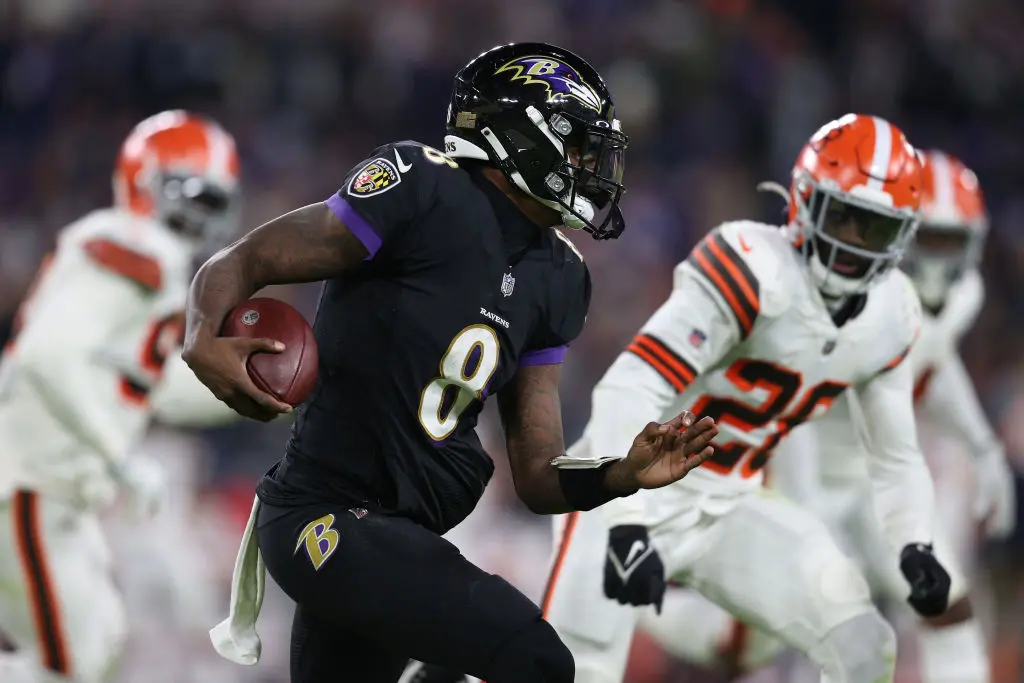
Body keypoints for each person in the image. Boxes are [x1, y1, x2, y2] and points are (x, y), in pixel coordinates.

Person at [185, 42, 718, 683]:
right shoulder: (422, 185)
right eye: (576, 145)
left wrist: (619, 474)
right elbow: (244, 260)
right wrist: (202, 332)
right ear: (521, 134)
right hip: (323, 516)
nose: (589, 165)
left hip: (398, 536)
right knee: (538, 660)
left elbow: (537, 474)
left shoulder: (560, 277)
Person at [539, 113, 954, 683]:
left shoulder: (892, 313)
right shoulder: (754, 267)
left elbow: (895, 452)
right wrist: (626, 517)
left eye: (874, 228)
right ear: (806, 201)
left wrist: (916, 544)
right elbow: (633, 382)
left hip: (731, 503)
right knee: (576, 668)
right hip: (629, 484)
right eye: (845, 218)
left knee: (863, 644)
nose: (854, 243)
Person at [635, 149, 1017, 683]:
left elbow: (934, 360)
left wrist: (980, 444)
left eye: (949, 242)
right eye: (926, 238)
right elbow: (797, 412)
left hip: (865, 479)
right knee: (755, 640)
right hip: (789, 461)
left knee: (946, 600)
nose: (935, 259)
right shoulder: (845, 300)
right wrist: (805, 522)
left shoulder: (959, 298)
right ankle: (635, 605)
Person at [0, 110, 243, 683]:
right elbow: (46, 356)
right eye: (194, 196)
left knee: (100, 645)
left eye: (214, 203)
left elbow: (152, 386)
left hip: (52, 494)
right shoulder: (138, 245)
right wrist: (121, 459)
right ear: (147, 180)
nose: (201, 217)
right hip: (31, 484)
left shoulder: (148, 257)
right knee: (74, 666)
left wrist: (255, 389)